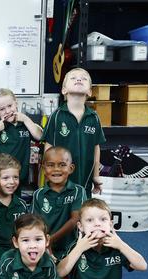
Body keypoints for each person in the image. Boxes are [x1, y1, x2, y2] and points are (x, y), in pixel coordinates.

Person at [42, 68, 106, 197]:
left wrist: (96, 176)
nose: (79, 79)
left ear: (90, 91)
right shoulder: (57, 116)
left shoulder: (93, 117)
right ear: (64, 90)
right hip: (59, 181)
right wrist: (48, 173)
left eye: (84, 78)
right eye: (73, 78)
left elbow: (96, 147)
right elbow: (48, 147)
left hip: (85, 181)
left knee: (83, 213)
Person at [0, 88, 43, 190]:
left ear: (16, 102)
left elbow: (40, 136)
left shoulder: (26, 124)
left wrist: (26, 119)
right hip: (0, 178)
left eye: (10, 106)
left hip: (19, 177)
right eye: (2, 109)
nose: (7, 111)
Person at [31, 146, 86, 260]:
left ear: (71, 168)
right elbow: (36, 223)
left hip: (72, 247)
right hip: (44, 247)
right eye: (50, 165)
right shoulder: (38, 194)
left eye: (62, 165)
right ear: (43, 169)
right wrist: (45, 243)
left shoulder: (78, 191)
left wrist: (51, 240)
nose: (56, 169)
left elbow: (75, 219)